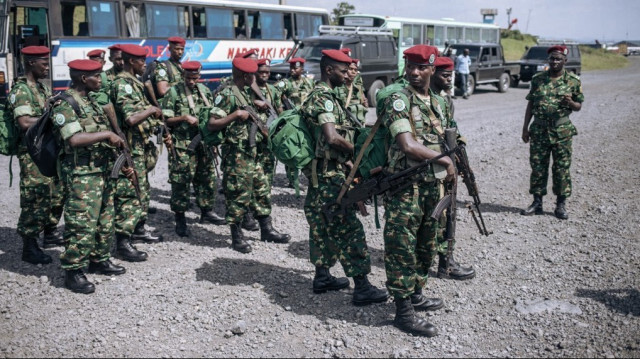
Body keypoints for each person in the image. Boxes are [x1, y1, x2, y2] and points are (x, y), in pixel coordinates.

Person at [379, 45, 457, 337]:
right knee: (401, 247)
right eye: (410, 66)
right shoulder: (399, 99)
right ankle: (403, 311)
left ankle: (416, 294)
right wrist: (445, 160)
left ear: (432, 69)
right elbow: (407, 145)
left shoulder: (439, 101)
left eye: (421, 67)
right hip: (405, 186)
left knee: (427, 242)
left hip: (431, 185)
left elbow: (451, 137)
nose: (413, 72)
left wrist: (454, 164)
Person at [301, 49, 388, 306]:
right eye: (342, 70)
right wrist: (359, 151)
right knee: (349, 229)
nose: (346, 74)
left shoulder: (328, 96)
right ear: (329, 70)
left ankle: (322, 276)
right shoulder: (324, 98)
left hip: (322, 173)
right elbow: (332, 137)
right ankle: (362, 287)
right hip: (329, 177)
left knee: (321, 225)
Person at [52, 59, 129, 293]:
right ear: (84, 79)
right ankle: (73, 270)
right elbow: (73, 139)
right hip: (82, 174)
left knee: (105, 218)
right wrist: (106, 134)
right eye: (97, 75)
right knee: (81, 222)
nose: (101, 79)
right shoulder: (64, 104)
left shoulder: (92, 102)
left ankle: (99, 258)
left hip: (102, 170)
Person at [205, 57, 290, 253]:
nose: (255, 77)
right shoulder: (227, 94)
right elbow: (212, 123)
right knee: (237, 194)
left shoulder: (246, 92)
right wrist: (235, 115)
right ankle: (236, 237)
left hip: (253, 153)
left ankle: (266, 229)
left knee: (261, 189)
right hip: (236, 155)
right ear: (245, 75)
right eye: (252, 74)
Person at [5, 46, 65, 264]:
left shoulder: (41, 88)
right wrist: (53, 119)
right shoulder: (21, 91)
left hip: (47, 150)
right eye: (44, 63)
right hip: (32, 154)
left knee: (56, 193)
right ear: (31, 63)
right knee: (35, 197)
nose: (47, 67)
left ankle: (49, 234)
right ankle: (29, 246)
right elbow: (24, 122)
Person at [111, 43, 166, 261]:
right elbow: (131, 118)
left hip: (139, 147)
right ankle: (123, 243)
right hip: (129, 148)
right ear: (131, 61)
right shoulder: (123, 84)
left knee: (140, 189)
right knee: (128, 193)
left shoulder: (134, 82)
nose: (145, 64)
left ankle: (137, 230)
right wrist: (152, 109)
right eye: (142, 60)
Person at [161, 61, 225, 237]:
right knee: (181, 181)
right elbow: (165, 121)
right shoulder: (173, 92)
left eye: (195, 78)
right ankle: (180, 218)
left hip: (203, 143)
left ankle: (206, 211)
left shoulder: (204, 91)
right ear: (183, 75)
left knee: (206, 178)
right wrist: (183, 118)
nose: (192, 81)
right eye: (189, 78)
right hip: (183, 144)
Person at [520, 45, 583, 219]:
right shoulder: (538, 79)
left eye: (558, 59)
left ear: (565, 61)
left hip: (561, 132)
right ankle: (537, 202)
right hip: (539, 130)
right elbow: (530, 104)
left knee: (561, 168)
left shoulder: (573, 81)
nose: (554, 62)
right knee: (538, 167)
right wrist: (525, 127)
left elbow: (579, 106)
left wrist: (571, 103)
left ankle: (561, 205)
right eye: (552, 59)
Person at [429, 56, 476, 281]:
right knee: (435, 214)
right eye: (444, 75)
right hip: (430, 164)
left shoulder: (446, 100)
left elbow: (451, 129)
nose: (449, 79)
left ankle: (445, 261)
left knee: (449, 213)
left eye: (451, 75)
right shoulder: (424, 99)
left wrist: (460, 148)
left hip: (446, 162)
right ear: (432, 73)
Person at [277, 57, 315, 188]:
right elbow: (275, 95)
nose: (293, 70)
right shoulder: (286, 83)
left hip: (306, 120)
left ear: (302, 69)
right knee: (291, 147)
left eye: (296, 68)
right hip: (292, 121)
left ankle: (310, 176)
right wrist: (282, 114)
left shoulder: (309, 83)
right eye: (291, 68)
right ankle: (292, 179)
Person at [254, 58, 283, 186]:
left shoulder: (273, 90)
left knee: (268, 166)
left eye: (267, 72)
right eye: (261, 72)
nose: (265, 74)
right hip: (254, 135)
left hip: (269, 135)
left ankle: (266, 192)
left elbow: (279, 110)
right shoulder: (249, 88)